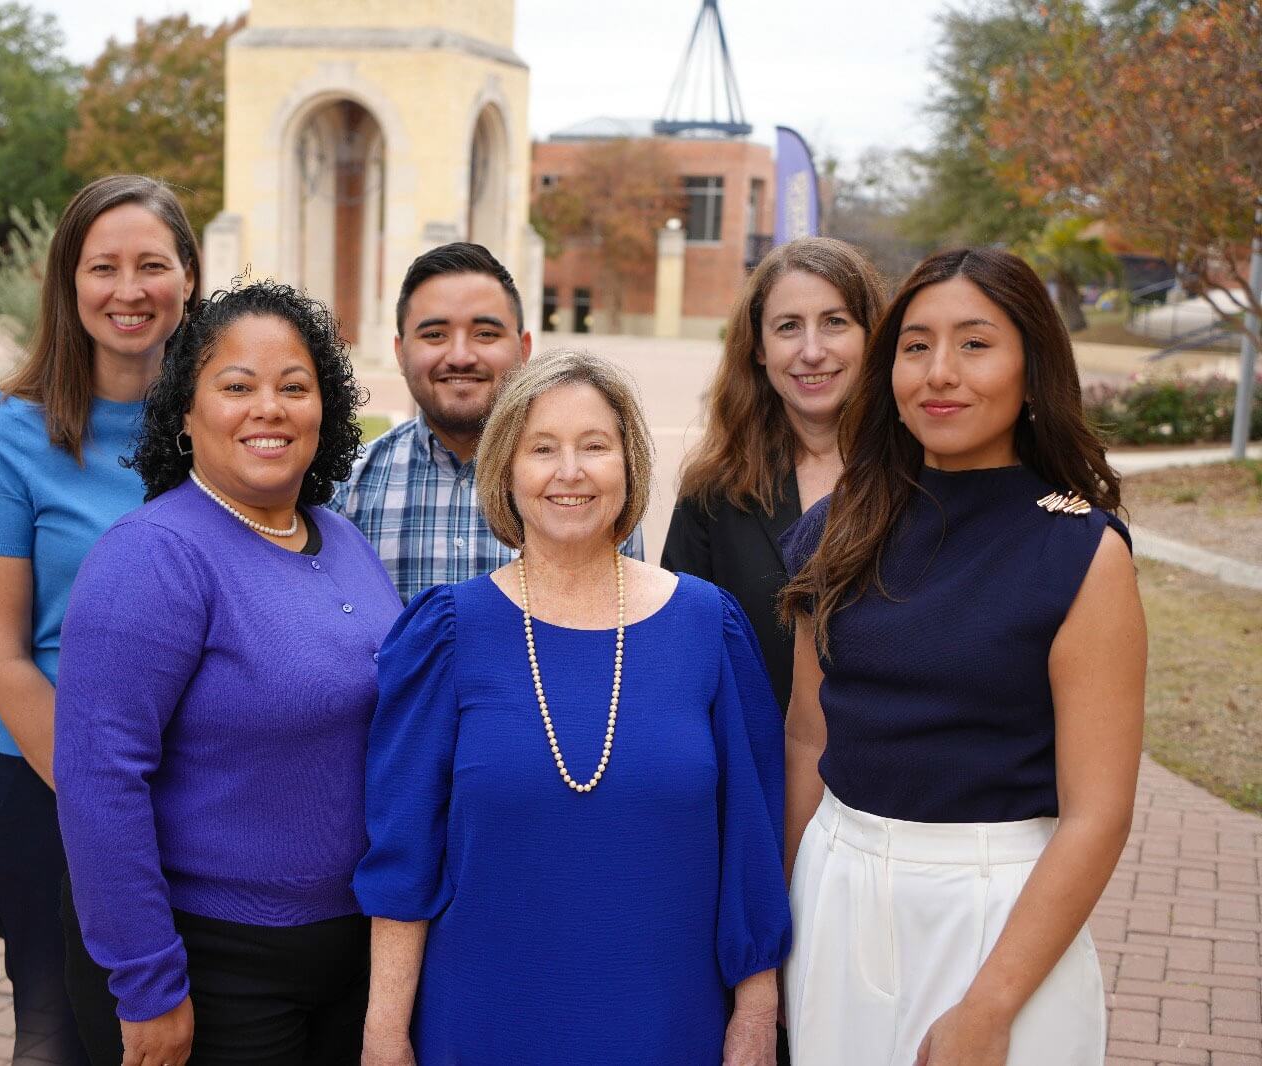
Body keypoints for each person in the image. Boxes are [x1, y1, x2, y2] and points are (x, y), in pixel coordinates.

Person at [356, 350, 791, 1065]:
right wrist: (383, 1034)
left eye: (595, 446)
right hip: (483, 1019)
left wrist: (755, 1011)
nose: (570, 471)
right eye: (542, 449)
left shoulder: (707, 626)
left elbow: (752, 839)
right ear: (506, 469)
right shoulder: (448, 633)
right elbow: (403, 858)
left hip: (669, 1018)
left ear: (628, 466)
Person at [779, 248, 1145, 1066]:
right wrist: (783, 916)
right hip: (834, 894)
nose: (939, 373)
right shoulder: (836, 528)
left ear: (1031, 368)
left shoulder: (1080, 551)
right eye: (915, 346)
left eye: (975, 343)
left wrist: (990, 1005)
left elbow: (1098, 813)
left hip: (996, 912)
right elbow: (808, 737)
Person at [53, 281, 404, 1066]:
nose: (269, 408)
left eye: (294, 387)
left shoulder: (341, 538)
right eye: (237, 387)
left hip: (350, 953)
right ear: (184, 412)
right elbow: (99, 778)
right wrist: (147, 984)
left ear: (327, 409)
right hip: (215, 966)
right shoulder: (152, 556)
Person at [0, 174, 199, 1064]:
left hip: (203, 795)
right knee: (62, 1038)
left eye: (152, 265)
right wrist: (107, 802)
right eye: (104, 267)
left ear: (189, 280)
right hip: (48, 788)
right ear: (69, 283)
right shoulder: (3, 434)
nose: (129, 290)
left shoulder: (223, 425)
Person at [332, 242, 640, 602]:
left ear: (524, 349)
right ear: (400, 353)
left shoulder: (584, 490)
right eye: (434, 335)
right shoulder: (348, 490)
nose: (461, 356)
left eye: (485, 334)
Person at [664, 236, 885, 712]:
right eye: (788, 327)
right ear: (759, 348)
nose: (811, 351)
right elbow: (678, 659)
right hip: (761, 770)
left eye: (835, 322)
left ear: (872, 334)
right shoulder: (714, 491)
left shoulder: (920, 476)